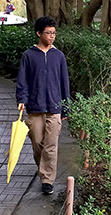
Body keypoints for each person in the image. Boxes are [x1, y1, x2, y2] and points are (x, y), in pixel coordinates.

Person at [16, 17, 70, 195]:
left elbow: (64, 83)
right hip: (34, 107)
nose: (52, 36)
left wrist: (65, 106)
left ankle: (47, 180)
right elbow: (22, 81)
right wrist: (22, 99)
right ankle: (44, 168)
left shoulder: (58, 56)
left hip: (54, 108)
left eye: (54, 33)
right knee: (38, 143)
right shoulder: (29, 56)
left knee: (51, 145)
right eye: (48, 33)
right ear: (39, 33)